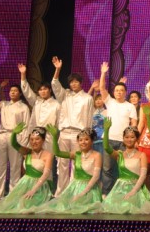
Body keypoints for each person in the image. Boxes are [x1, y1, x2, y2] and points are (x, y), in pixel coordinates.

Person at [51, 56, 94, 196]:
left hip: (79, 134)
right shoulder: (65, 95)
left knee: (77, 164)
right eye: (71, 82)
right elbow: (55, 84)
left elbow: (89, 118)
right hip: (64, 132)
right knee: (62, 164)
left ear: (81, 83)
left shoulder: (88, 98)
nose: (73, 84)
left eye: (76, 81)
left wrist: (87, 137)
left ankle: (74, 193)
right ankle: (60, 193)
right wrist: (58, 69)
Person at [0, 123, 53, 213]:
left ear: (43, 140)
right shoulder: (27, 152)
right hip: (25, 184)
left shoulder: (48, 155)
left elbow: (46, 174)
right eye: (31, 139)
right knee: (13, 204)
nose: (34, 142)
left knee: (28, 204)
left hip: (40, 186)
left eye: (37, 139)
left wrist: (33, 190)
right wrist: (14, 134)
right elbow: (15, 144)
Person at [39, 125, 102, 214]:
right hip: (74, 188)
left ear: (92, 141)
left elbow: (96, 176)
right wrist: (55, 138)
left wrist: (83, 193)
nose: (83, 142)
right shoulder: (76, 154)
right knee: (63, 208)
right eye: (80, 140)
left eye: (86, 139)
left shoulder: (97, 155)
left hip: (90, 189)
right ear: (78, 142)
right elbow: (58, 153)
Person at [99, 62, 138, 195]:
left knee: (124, 167)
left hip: (124, 142)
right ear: (114, 92)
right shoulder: (110, 102)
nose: (119, 92)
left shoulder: (130, 106)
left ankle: (122, 193)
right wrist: (103, 73)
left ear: (125, 92)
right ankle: (106, 193)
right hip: (109, 139)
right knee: (107, 168)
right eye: (116, 90)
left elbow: (134, 124)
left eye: (121, 90)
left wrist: (132, 139)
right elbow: (102, 88)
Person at [0, 79, 31, 199]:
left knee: (15, 166)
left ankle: (13, 193)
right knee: (0, 165)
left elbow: (26, 126)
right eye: (11, 90)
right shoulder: (4, 104)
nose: (12, 92)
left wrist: (22, 144)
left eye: (15, 91)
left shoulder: (24, 107)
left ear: (20, 93)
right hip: (3, 135)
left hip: (16, 137)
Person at [100, 119, 150, 214]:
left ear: (136, 139)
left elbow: (143, 176)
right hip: (120, 189)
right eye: (127, 137)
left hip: (136, 188)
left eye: (132, 137)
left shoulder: (142, 155)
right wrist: (106, 130)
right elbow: (107, 147)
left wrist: (134, 191)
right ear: (123, 139)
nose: (129, 139)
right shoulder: (119, 154)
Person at [19, 63, 60, 152]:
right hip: (35, 135)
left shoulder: (56, 104)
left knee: (47, 158)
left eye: (45, 89)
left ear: (50, 90)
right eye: (40, 90)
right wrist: (23, 74)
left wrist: (56, 136)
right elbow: (27, 91)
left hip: (49, 136)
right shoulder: (37, 102)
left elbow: (59, 122)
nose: (43, 91)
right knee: (34, 158)